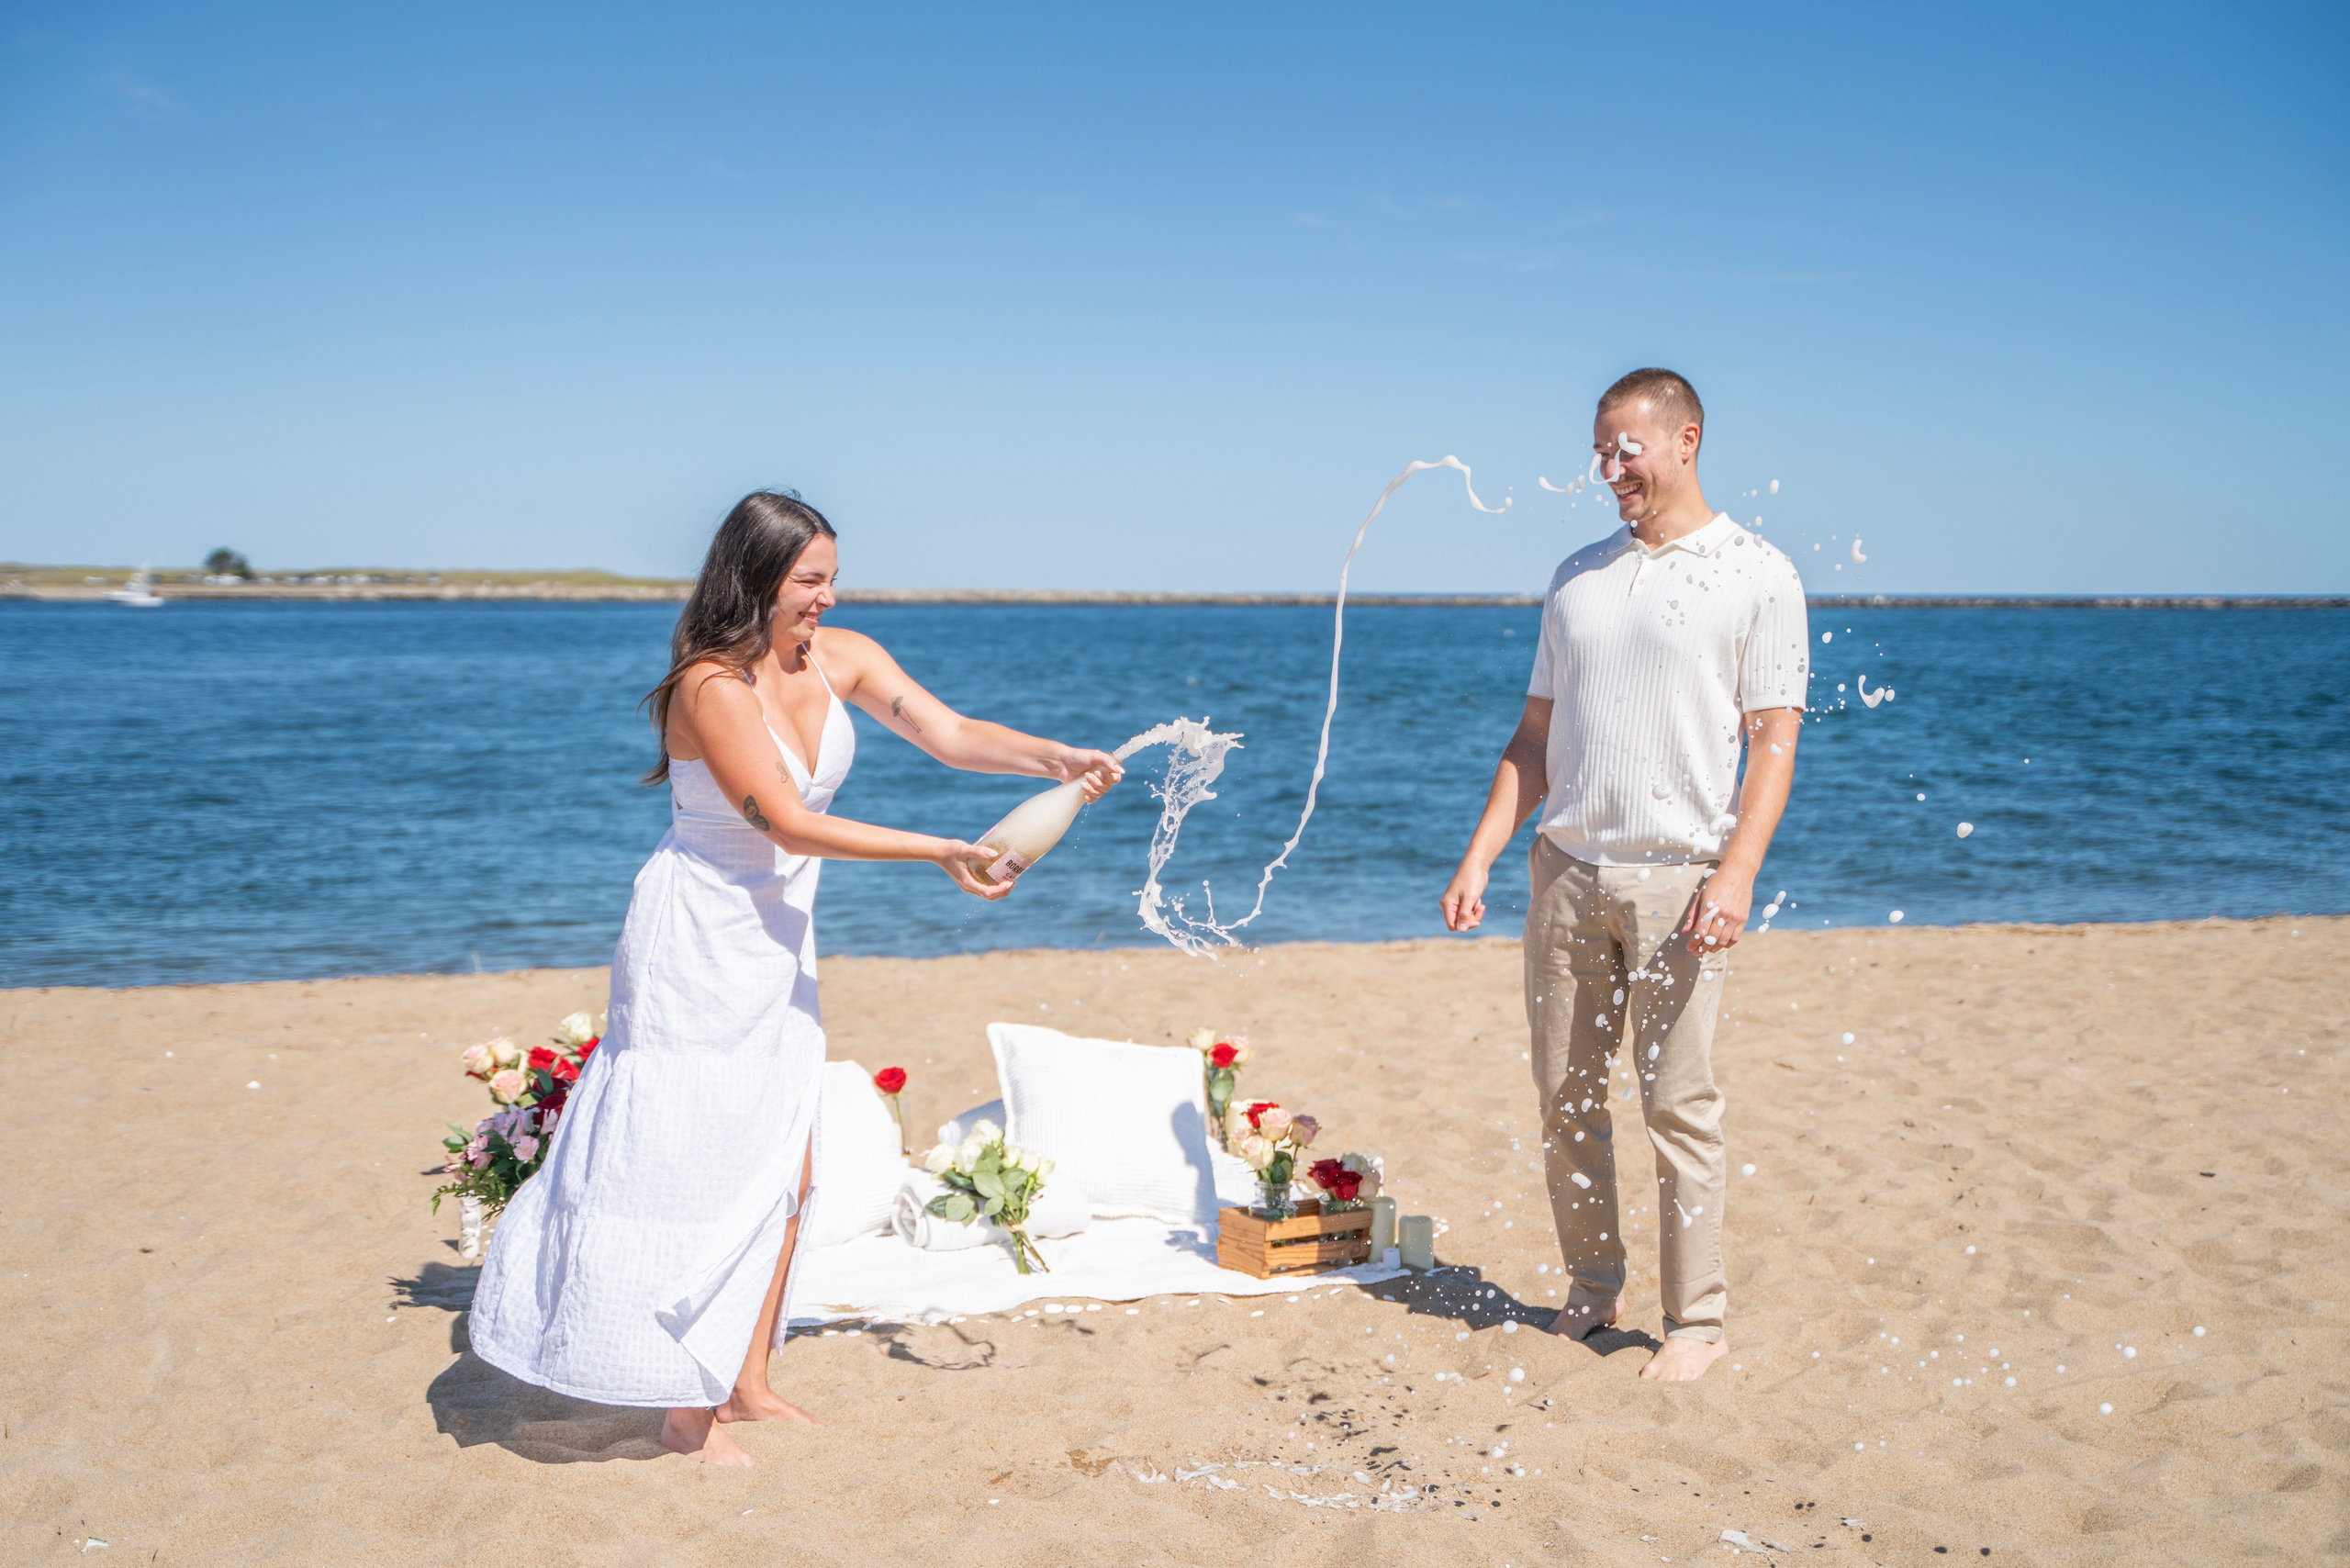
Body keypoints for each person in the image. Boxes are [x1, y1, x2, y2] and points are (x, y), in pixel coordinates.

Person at [467, 490, 1122, 1464]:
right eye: (809, 580)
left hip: (780, 938)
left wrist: (1051, 758)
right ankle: (681, 1408)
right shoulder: (709, 685)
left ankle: (745, 1382)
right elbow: (781, 819)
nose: (825, 597)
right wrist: (937, 850)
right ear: (757, 577)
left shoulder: (841, 656)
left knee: (788, 1161)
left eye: (831, 578)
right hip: (696, 940)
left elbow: (945, 733)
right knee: (695, 1160)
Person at [1439, 369, 1807, 1382]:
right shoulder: (1576, 575)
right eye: (1600, 452)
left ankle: (1697, 1320)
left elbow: (1773, 742)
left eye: (1625, 450)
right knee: (1565, 1096)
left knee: (1677, 1104)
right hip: (1563, 871)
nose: (1609, 472)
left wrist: (1735, 873)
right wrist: (1480, 852)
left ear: (1683, 439)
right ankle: (1593, 1284)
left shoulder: (1757, 573)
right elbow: (1535, 732)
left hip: (1681, 879)